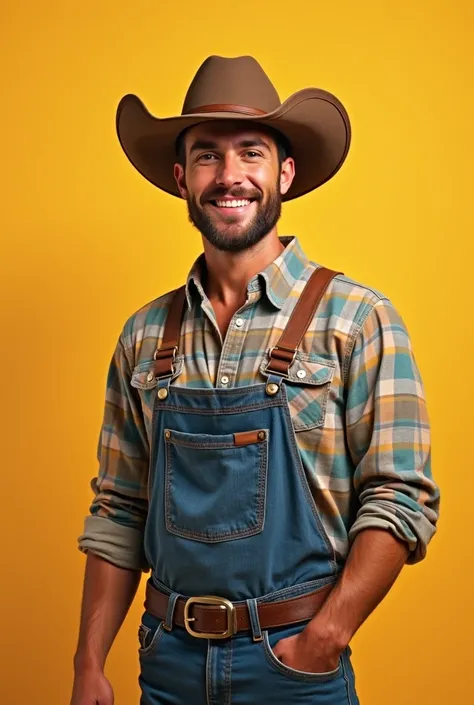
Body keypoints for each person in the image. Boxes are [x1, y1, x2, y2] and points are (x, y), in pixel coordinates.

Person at [71, 55, 440, 705]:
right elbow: (120, 508)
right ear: (182, 178)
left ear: (284, 173)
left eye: (251, 153)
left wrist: (325, 636)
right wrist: (88, 662)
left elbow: (400, 500)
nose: (230, 175)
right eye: (208, 156)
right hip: (166, 666)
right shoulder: (143, 335)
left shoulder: (358, 319)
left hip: (295, 669)